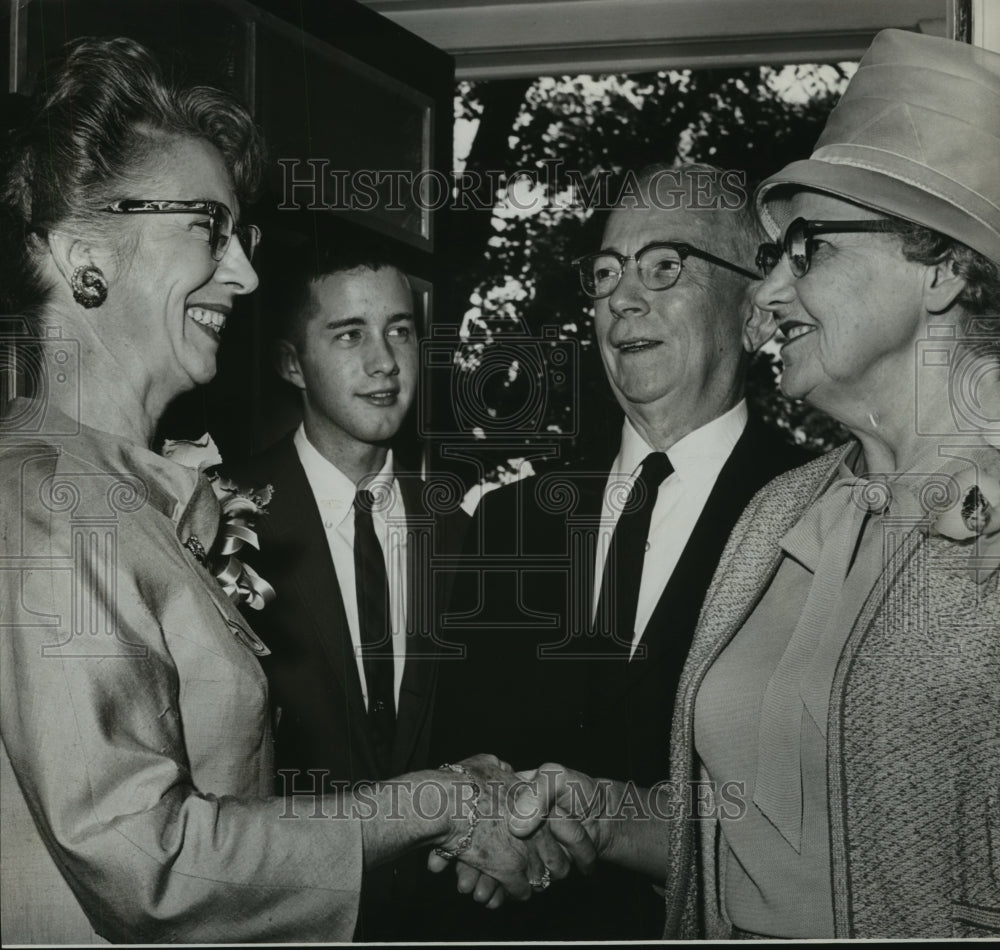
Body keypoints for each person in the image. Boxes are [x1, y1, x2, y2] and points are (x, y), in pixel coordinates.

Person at [0, 37, 583, 945]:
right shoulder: (43, 501)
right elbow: (149, 866)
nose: (246, 274)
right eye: (208, 227)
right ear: (86, 253)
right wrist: (431, 801)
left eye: (243, 234)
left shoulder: (125, 491)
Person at [510, 28, 1000, 940]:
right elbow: (743, 835)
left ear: (941, 269)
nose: (767, 295)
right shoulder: (781, 515)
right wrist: (601, 810)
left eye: (807, 249)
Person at [430, 163, 810, 939]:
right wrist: (479, 823)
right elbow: (457, 747)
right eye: (605, 274)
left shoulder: (819, 518)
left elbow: (819, 813)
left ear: (757, 312)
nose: (623, 299)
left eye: (664, 266)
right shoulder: (509, 521)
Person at [225, 239, 469, 939]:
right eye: (349, 334)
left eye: (400, 330)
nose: (384, 362)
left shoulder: (460, 530)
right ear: (291, 363)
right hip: (281, 918)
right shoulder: (225, 519)